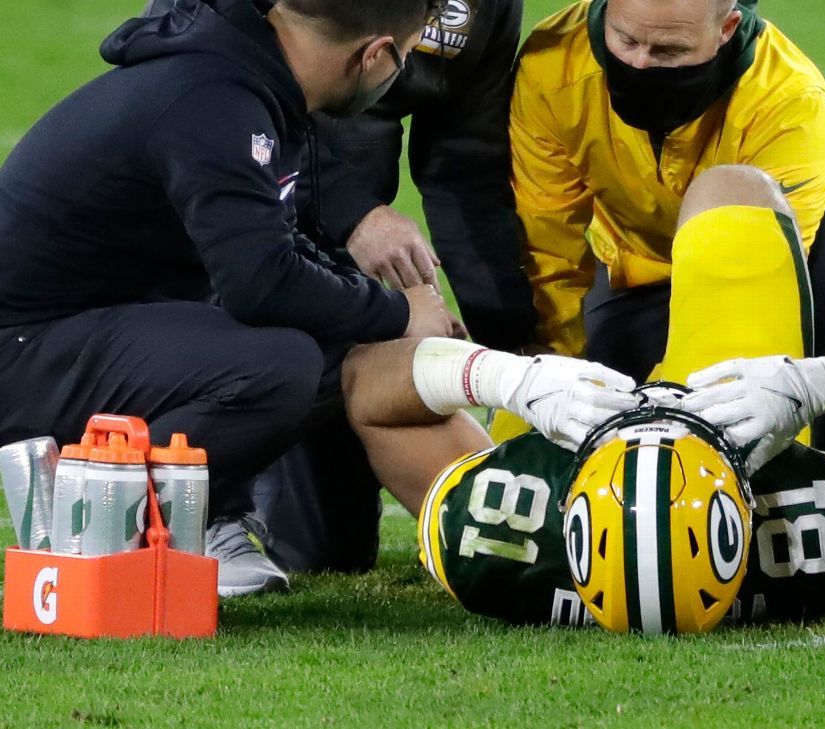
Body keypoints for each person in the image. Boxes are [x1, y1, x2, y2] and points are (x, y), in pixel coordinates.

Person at [341, 165, 825, 627]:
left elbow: (366, 386)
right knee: (729, 189)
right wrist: (817, 384)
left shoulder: (495, 538)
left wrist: (503, 378)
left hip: (564, 419)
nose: (658, 411)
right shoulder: (812, 535)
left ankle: (589, 298)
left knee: (466, 316)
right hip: (732, 400)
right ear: (745, 506)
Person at [0, 0, 458, 596]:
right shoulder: (215, 97)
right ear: (374, 55)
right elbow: (262, 283)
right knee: (280, 366)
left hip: (82, 327)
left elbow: (273, 254)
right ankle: (95, 511)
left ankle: (188, 513)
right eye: (405, 56)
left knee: (339, 352)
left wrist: (385, 322)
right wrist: (399, 313)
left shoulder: (245, 74)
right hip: (24, 350)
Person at [140, 0, 538, 575]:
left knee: (329, 553)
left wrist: (505, 330)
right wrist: (354, 213)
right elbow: (202, 74)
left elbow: (465, 164)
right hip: (229, 213)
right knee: (254, 307)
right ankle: (202, 509)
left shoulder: (490, 8)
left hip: (337, 258)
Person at [507, 0, 825, 452]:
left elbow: (765, 290)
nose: (639, 63)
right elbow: (546, 239)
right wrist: (538, 389)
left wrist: (670, 409)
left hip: (791, 242)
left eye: (668, 51)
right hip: (642, 252)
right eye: (626, 40)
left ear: (727, 28)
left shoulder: (788, 99)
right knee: (601, 405)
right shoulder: (551, 63)